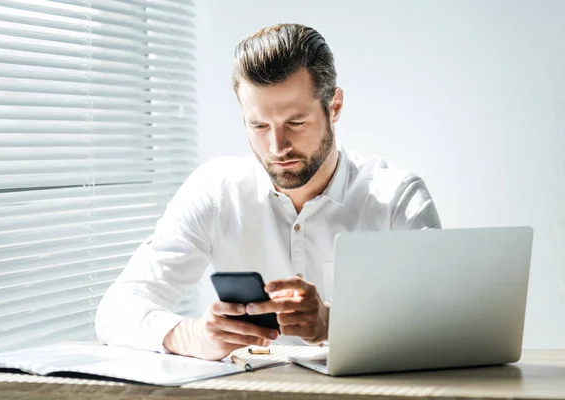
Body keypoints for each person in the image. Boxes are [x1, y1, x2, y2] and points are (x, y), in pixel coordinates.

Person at [95, 23, 441, 361]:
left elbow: (441, 321)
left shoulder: (397, 198)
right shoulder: (214, 191)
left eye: (295, 122)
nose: (277, 147)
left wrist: (333, 322)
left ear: (334, 107)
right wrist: (195, 336)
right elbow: (116, 310)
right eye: (259, 125)